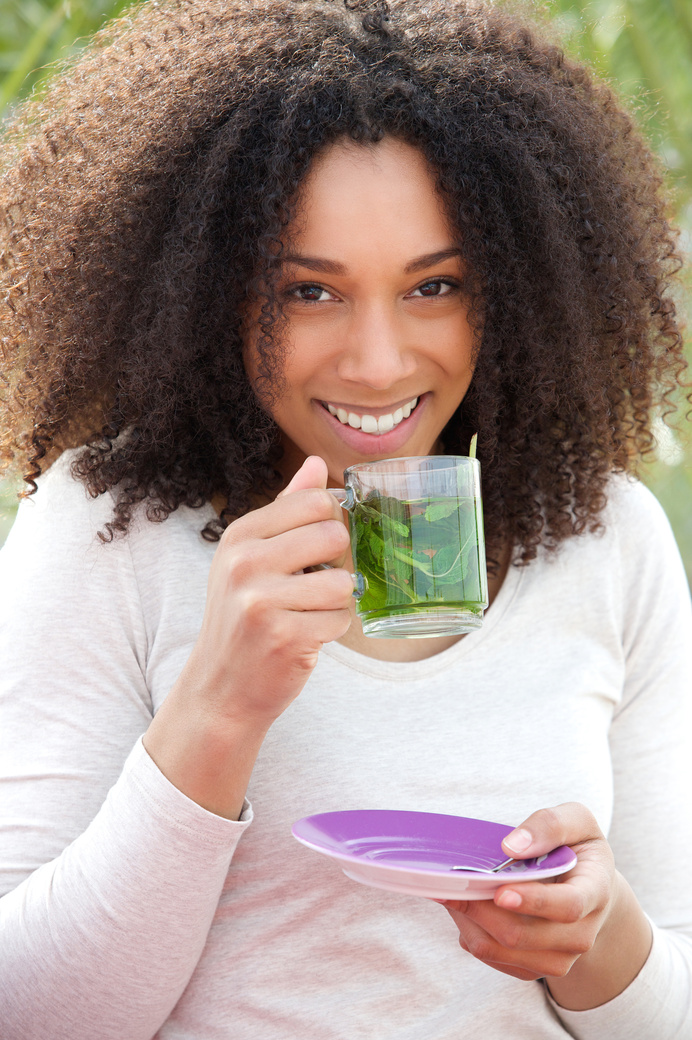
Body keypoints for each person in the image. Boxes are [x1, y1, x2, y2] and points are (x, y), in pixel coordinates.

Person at [0, 0, 690, 1037]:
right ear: (205, 290)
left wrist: (598, 934)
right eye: (309, 293)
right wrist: (220, 708)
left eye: (435, 286)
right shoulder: (106, 531)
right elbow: (31, 1011)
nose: (376, 360)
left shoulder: (607, 540)